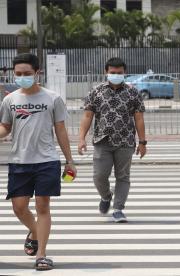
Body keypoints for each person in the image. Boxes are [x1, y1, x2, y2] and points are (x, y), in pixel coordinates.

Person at [0, 53, 76, 271]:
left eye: (27, 73)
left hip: (47, 160)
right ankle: (34, 231)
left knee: (43, 206)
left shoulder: (52, 98)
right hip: (19, 161)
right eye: (18, 74)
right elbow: (5, 126)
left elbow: (60, 130)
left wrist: (69, 161)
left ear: (37, 72)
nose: (22, 77)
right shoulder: (10, 99)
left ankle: (41, 255)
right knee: (19, 208)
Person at [78, 57, 146, 223]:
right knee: (99, 176)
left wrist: (143, 142)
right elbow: (87, 116)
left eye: (119, 73)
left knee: (123, 176)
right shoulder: (96, 92)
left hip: (125, 142)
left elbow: (139, 119)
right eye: (112, 72)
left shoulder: (133, 93)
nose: (116, 75)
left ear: (125, 73)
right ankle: (106, 196)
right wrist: (81, 138)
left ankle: (118, 209)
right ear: (106, 72)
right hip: (102, 141)